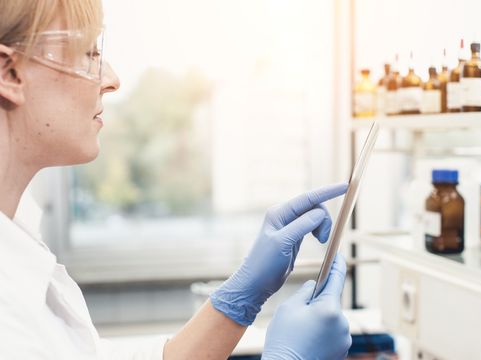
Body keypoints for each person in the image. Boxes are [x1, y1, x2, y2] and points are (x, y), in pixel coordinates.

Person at [0, 0, 352, 358]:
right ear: (10, 73)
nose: (111, 79)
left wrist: (240, 300)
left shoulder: (18, 239)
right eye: (87, 53)